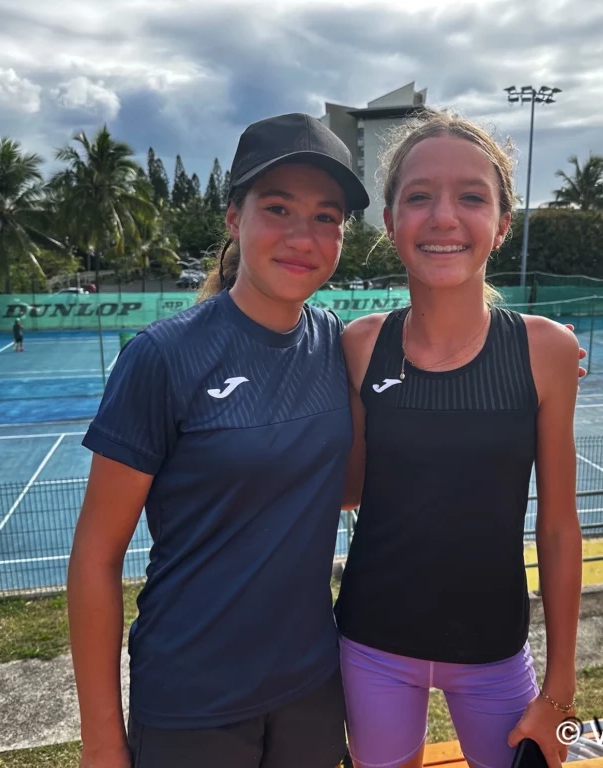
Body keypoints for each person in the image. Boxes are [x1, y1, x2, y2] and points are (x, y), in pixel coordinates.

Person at [67, 113, 370, 768]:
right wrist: (101, 743)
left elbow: (344, 489)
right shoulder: (162, 357)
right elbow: (95, 557)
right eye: (279, 207)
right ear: (234, 217)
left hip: (312, 688)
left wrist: (525, 366)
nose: (302, 236)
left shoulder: (334, 346)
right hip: (190, 702)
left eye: (326, 217)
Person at [335, 112, 582, 768]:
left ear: (502, 224)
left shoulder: (546, 351)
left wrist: (558, 692)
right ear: (389, 222)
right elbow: (350, 488)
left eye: (471, 196)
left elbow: (558, 528)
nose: (443, 215)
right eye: (419, 196)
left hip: (494, 652)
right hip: (373, 646)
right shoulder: (360, 346)